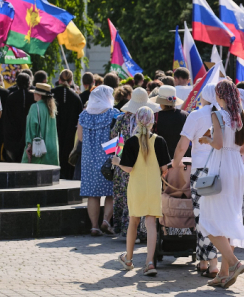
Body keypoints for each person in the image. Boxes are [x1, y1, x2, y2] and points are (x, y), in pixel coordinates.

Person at [199, 80, 244, 288]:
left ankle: (234, 263)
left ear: (220, 96)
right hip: (236, 166)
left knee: (207, 219)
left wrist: (206, 141)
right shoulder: (242, 116)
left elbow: (218, 144)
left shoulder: (217, 114)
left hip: (221, 166)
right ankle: (224, 273)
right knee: (229, 217)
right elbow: (243, 146)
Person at [171, 76, 221, 277]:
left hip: (200, 170)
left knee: (203, 217)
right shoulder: (225, 115)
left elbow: (183, 145)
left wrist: (176, 163)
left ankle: (213, 263)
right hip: (221, 169)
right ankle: (203, 261)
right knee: (213, 215)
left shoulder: (196, 116)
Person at [113, 107, 170, 276]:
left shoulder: (131, 142)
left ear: (137, 121)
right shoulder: (159, 141)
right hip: (153, 186)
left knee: (133, 221)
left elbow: (129, 168)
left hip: (136, 186)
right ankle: (150, 263)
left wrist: (117, 162)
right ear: (153, 122)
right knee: (151, 223)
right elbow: (165, 168)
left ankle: (128, 259)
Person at [77, 86, 121, 236]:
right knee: (111, 192)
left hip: (89, 158)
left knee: (92, 195)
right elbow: (118, 138)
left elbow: (80, 138)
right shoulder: (113, 114)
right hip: (108, 157)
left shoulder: (83, 115)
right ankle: (106, 221)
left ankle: (94, 226)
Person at [53, 70, 83, 178]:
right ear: (71, 81)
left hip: (54, 132)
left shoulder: (52, 94)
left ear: (59, 80)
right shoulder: (76, 98)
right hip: (70, 134)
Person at [22, 83, 59, 166]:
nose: (34, 94)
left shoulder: (35, 107)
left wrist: (29, 145)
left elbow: (32, 128)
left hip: (38, 149)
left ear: (39, 94)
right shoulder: (51, 108)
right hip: (52, 148)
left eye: (35, 92)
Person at [3, 72, 34, 162]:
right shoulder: (33, 97)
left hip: (13, 136)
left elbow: (7, 120)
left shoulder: (11, 97)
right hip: (30, 133)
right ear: (29, 83)